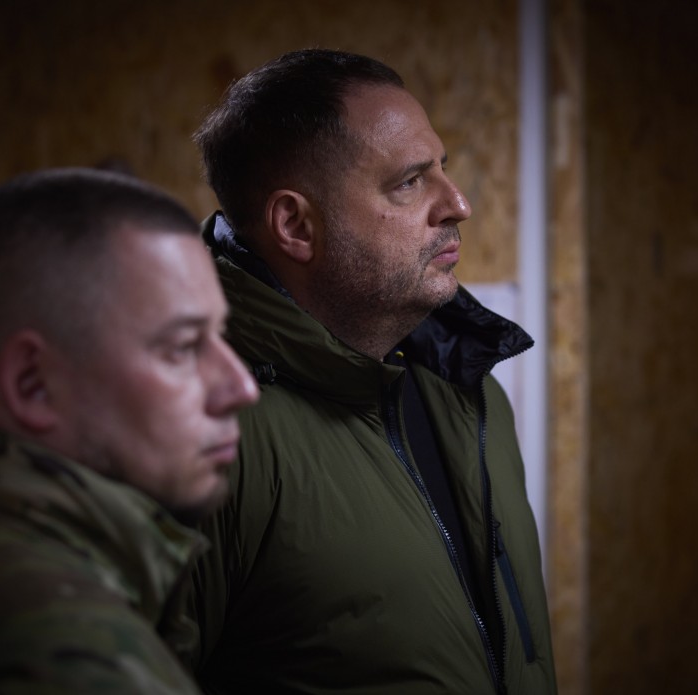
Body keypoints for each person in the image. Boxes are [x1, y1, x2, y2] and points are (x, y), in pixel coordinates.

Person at [187, 49, 557, 694]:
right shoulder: (202, 434)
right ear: (296, 224)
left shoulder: (469, 389)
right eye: (409, 182)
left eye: (443, 169)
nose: (458, 204)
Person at [0, 168, 260, 693]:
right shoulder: (67, 656)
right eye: (183, 348)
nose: (241, 387)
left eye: (220, 336)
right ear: (32, 384)